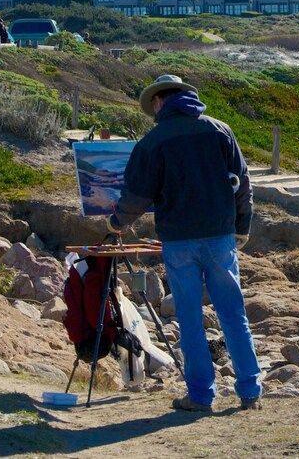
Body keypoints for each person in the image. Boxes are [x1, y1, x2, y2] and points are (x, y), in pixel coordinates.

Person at [108, 74, 262, 412]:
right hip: (220, 236)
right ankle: (250, 391)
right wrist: (241, 227)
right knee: (234, 314)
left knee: (190, 318)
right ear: (185, 97)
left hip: (179, 240)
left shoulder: (153, 141)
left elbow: (136, 195)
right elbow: (242, 182)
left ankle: (201, 395)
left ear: (159, 102)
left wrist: (117, 222)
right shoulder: (219, 129)